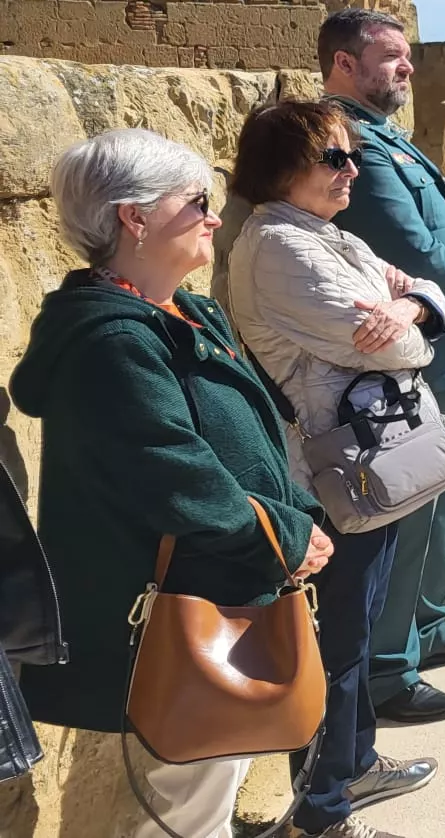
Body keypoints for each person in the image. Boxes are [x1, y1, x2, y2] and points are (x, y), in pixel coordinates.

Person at [11, 129, 333, 838]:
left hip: (234, 583)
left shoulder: (187, 312)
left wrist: (300, 517)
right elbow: (174, 475)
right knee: (186, 809)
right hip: (182, 610)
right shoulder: (113, 342)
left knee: (213, 787)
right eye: (195, 203)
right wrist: (287, 535)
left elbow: (258, 440)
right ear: (134, 217)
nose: (214, 217)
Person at [227, 101, 444, 838]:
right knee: (336, 641)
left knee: (356, 625)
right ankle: (320, 814)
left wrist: (411, 310)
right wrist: (411, 327)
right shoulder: (281, 247)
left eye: (352, 156)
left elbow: (421, 291)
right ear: (283, 169)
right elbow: (386, 347)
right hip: (331, 468)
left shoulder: (326, 234)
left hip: (370, 454)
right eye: (334, 158)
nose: (351, 169)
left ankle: (353, 767)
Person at [313, 8, 445, 726]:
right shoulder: (349, 144)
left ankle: (429, 627)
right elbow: (416, 249)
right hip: (425, 353)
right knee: (410, 518)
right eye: (390, 57)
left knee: (441, 510)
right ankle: (389, 670)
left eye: (406, 56)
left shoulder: (388, 138)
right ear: (343, 64)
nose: (406, 67)